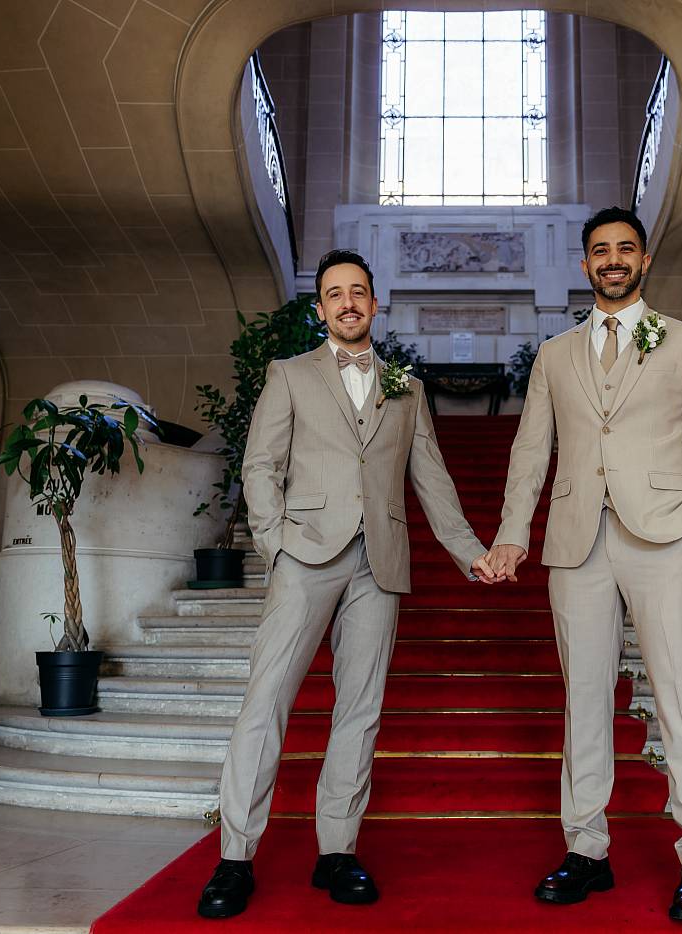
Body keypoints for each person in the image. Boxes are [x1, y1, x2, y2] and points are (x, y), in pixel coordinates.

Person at [198, 249, 498, 920]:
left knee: (359, 709)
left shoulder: (406, 389)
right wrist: (276, 545)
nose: (348, 302)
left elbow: (433, 480)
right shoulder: (289, 374)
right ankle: (234, 856)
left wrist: (469, 552)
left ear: (374, 302)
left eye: (358, 291)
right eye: (335, 294)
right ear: (321, 308)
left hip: (380, 562)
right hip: (305, 554)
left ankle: (336, 850)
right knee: (267, 699)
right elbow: (260, 465)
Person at [485, 207, 682, 923]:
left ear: (645, 261)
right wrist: (511, 534)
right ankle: (587, 850)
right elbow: (531, 451)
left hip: (663, 538)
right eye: (601, 251)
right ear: (586, 264)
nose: (613, 260)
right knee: (584, 701)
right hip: (575, 543)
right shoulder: (556, 355)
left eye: (626, 249)